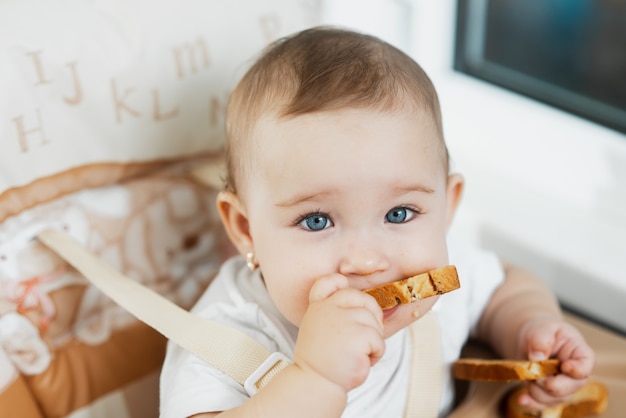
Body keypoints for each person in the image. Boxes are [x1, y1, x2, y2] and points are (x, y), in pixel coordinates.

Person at [159, 26, 594, 417]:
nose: (367, 262)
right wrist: (315, 379)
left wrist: (532, 329)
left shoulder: (432, 277)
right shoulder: (225, 338)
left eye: (399, 214)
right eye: (316, 221)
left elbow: (504, 289)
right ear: (245, 229)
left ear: (446, 207)